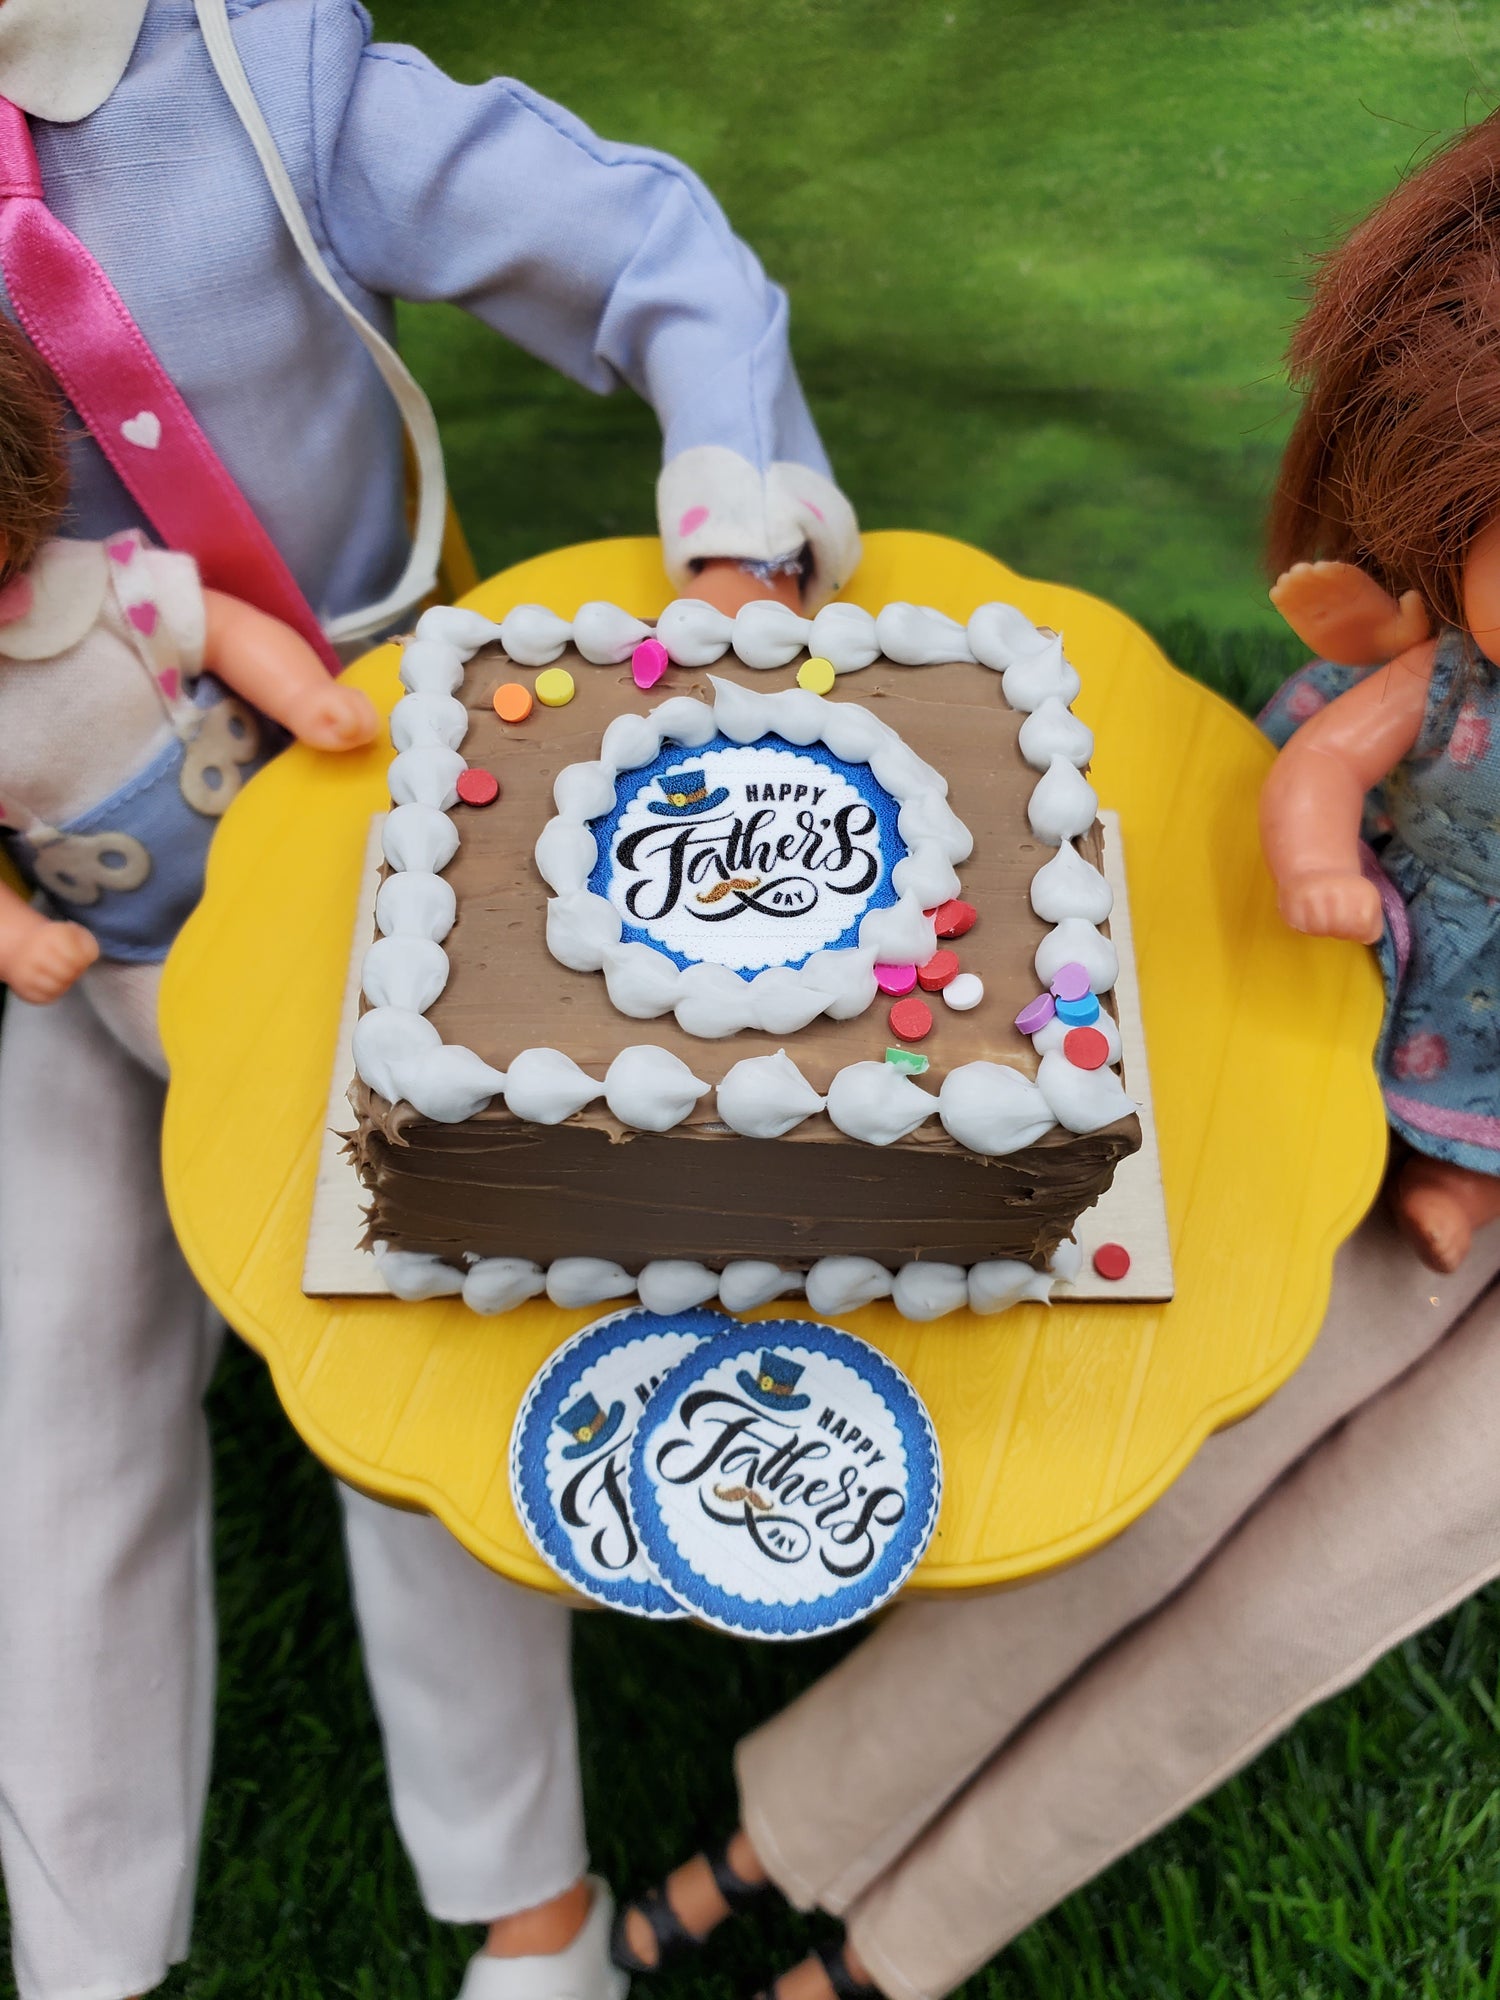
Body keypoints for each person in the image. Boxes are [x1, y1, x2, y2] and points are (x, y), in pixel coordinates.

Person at [0, 6, 858, 1999]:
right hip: (57, 894)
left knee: (405, 1346)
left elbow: (655, 251)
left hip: (353, 814)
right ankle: (84, 1953)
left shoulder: (253, 75)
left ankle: (528, 1909)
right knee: (50, 1402)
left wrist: (737, 541)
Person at [610, 109, 1500, 2000]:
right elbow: (1337, 769)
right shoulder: (1448, 693)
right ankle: (794, 1835)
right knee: (1152, 1483)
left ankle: (901, 1946)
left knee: (1302, 1605)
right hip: (1387, 1073)